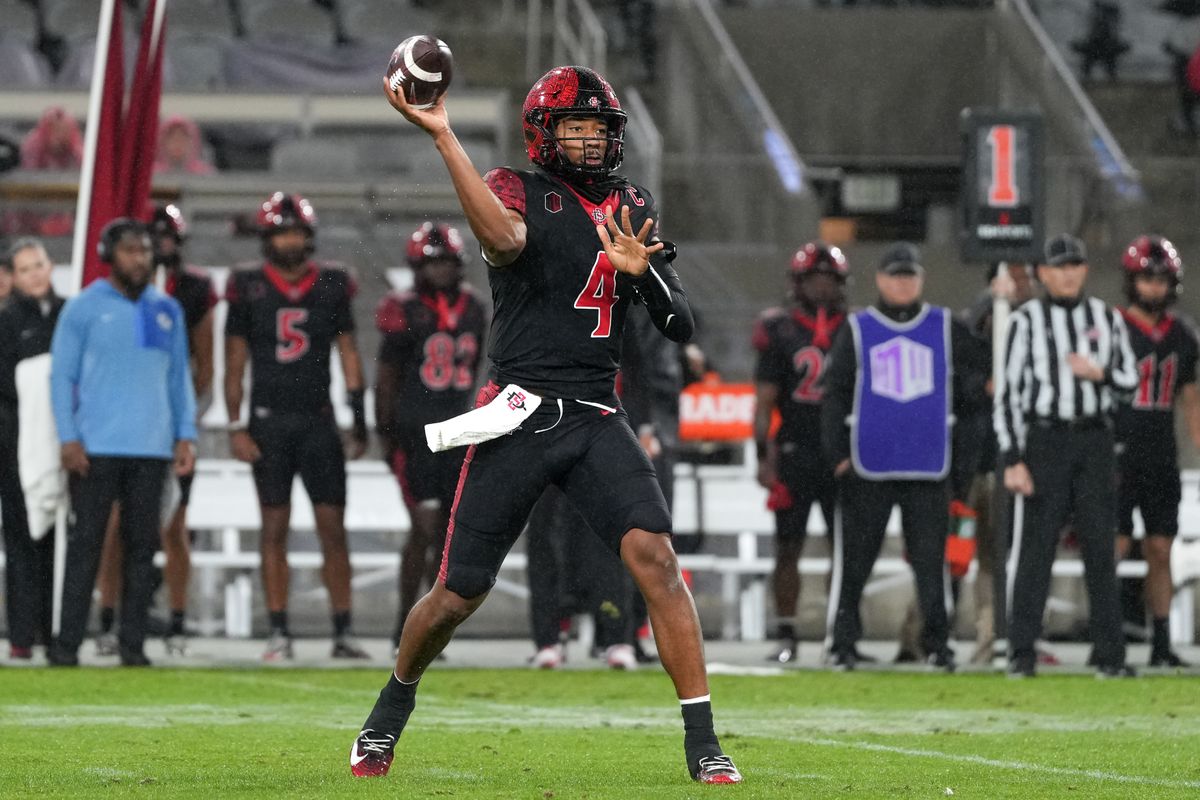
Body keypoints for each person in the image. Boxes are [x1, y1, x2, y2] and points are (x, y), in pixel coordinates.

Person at [351, 65, 742, 785]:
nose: (592, 141)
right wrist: (444, 138)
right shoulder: (514, 188)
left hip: (596, 411)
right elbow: (502, 241)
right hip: (521, 411)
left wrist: (643, 274)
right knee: (456, 595)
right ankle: (388, 711)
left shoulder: (630, 202)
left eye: (600, 128)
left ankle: (704, 741)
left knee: (656, 558)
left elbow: (679, 323)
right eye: (577, 127)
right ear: (544, 133)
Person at [821, 242, 988, 673]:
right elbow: (835, 394)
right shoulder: (858, 328)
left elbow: (977, 387)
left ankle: (938, 645)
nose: (902, 283)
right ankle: (842, 644)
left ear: (921, 280)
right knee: (854, 564)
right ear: (879, 279)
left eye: (909, 275)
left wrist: (963, 462)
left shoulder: (946, 326)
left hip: (928, 465)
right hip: (868, 465)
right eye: (895, 275)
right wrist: (839, 455)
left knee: (933, 565)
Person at [224, 192, 369, 661]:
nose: (289, 241)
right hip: (267, 422)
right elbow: (235, 362)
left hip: (317, 422)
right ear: (267, 238)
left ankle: (344, 629)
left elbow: (349, 354)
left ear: (309, 237)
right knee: (273, 528)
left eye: (296, 233)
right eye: (282, 232)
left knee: (333, 528)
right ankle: (279, 630)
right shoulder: (247, 285)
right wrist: (235, 426)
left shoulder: (331, 283)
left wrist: (358, 418)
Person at [48, 219, 196, 667]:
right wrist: (69, 436)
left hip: (152, 447)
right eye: (131, 250)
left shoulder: (166, 308)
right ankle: (67, 643)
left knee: (141, 549)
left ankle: (132, 645)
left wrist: (185, 433)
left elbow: (178, 378)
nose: (141, 258)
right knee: (85, 545)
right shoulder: (83, 308)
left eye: (146, 251)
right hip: (96, 447)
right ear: (108, 254)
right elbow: (61, 377)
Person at [996, 233, 1138, 679]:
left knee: (1100, 547)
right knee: (1035, 549)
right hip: (1046, 441)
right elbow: (1008, 395)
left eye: (1074, 265)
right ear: (1043, 273)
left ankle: (1110, 655)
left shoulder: (1106, 318)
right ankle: (1021, 652)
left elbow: (1130, 384)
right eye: (1059, 266)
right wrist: (1013, 457)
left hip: (1093, 439)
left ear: (1085, 270)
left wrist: (1101, 374)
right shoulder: (1026, 321)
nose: (1068, 273)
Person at [94, 204, 217, 656]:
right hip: (126, 427)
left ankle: (177, 622)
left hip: (171, 428)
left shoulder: (190, 290)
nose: (162, 247)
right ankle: (110, 619)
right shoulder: (127, 293)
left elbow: (203, 368)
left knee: (173, 526)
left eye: (169, 239)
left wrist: (183, 424)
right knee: (114, 527)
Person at [375, 221, 488, 651]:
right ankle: (406, 628)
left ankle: (429, 632)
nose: (440, 270)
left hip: (458, 430)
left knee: (444, 535)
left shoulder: (474, 307)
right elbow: (386, 378)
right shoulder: (402, 306)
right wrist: (386, 435)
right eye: (432, 262)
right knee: (422, 530)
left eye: (446, 262)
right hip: (415, 432)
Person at [752, 241, 848, 664]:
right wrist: (762, 455)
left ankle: (838, 633)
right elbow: (765, 401)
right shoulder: (780, 328)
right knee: (788, 547)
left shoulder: (855, 327)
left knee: (843, 548)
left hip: (841, 452)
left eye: (830, 278)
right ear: (799, 282)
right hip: (795, 449)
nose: (823, 286)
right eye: (815, 278)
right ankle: (788, 633)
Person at [1114, 235, 1199, 668]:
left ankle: (1162, 642)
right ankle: (1107, 638)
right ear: (1133, 281)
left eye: (1162, 280)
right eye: (1147, 279)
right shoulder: (1111, 326)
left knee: (1161, 550)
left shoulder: (1182, 335)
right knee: (1113, 543)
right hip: (1115, 452)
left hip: (1160, 453)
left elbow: (1192, 400)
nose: (1155, 288)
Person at [0, 238, 64, 660]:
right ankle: (23, 632)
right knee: (23, 534)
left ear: (50, 265)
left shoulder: (70, 313)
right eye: (25, 269)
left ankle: (56, 627)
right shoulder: (6, 320)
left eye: (38, 265)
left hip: (67, 442)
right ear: (14, 277)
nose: (35, 274)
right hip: (16, 442)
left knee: (62, 536)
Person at [20, 106, 82, 170]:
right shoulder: (32, 145)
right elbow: (30, 173)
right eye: (55, 129)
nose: (60, 135)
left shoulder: (77, 149)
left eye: (64, 130)